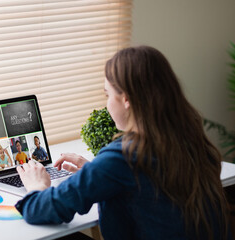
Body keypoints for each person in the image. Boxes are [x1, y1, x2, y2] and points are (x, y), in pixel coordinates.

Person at [15, 46, 231, 240]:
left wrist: (37, 186)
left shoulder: (123, 156)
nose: (107, 103)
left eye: (108, 94)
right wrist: (95, 171)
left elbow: (41, 209)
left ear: (126, 99)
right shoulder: (192, 141)